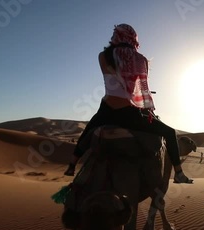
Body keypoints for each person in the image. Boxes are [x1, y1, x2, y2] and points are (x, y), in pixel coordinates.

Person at [64, 24, 192, 183]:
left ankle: (72, 165)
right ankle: (179, 173)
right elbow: (141, 88)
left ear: (116, 37)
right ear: (134, 39)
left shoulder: (103, 56)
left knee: (89, 131)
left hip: (106, 111)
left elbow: (115, 77)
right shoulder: (141, 60)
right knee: (170, 133)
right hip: (129, 113)